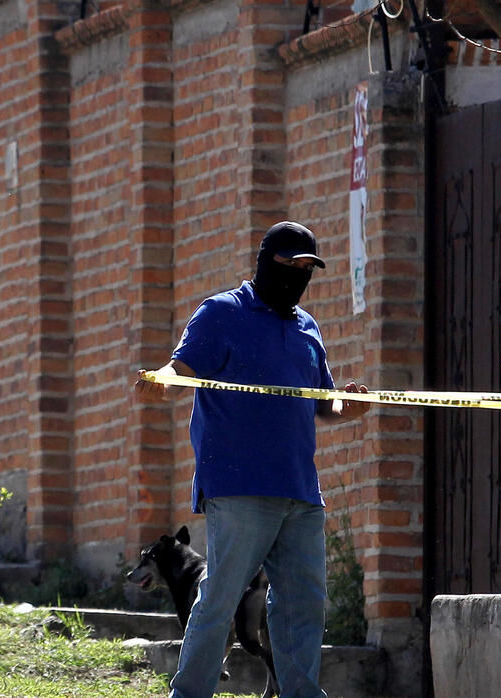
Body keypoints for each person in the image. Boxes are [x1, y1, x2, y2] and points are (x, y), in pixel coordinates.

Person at [134, 221, 370, 698]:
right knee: (220, 597)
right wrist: (159, 378)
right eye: (291, 266)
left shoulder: (307, 328)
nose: (299, 277)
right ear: (267, 262)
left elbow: (324, 402)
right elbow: (179, 368)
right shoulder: (222, 313)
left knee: (304, 605)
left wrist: (349, 405)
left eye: (308, 269)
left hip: (302, 491)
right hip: (238, 486)